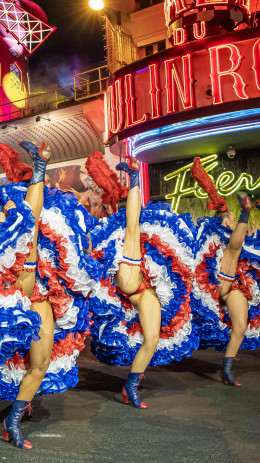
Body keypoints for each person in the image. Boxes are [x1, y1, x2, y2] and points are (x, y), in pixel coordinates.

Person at [0, 141, 90, 451]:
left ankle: (11, 419)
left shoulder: (49, 215)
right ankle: (14, 420)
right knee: (28, 231)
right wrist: (38, 172)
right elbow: (25, 218)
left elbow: (42, 219)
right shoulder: (10, 208)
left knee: (40, 365)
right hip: (15, 290)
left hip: (40, 294)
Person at [86, 153, 196, 408]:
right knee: (133, 227)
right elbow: (131, 225)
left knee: (152, 340)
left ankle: (130, 386)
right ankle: (135, 179)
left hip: (143, 290)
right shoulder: (115, 239)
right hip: (127, 282)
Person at [190, 158, 260, 387]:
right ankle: (247, 212)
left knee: (241, 327)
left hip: (233, 284)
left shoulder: (237, 240)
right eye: (232, 219)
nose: (231, 221)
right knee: (231, 249)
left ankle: (226, 369)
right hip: (211, 282)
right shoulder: (211, 235)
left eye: (236, 219)